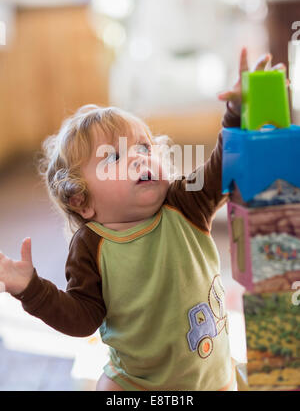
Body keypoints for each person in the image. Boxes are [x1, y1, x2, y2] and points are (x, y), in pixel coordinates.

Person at [0, 49, 285, 391]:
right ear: (82, 201)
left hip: (210, 380)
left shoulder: (184, 204)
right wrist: (32, 289)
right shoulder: (92, 245)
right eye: (115, 156)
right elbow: (82, 318)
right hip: (135, 384)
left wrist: (237, 113)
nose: (138, 157)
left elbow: (224, 167)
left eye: (145, 148)